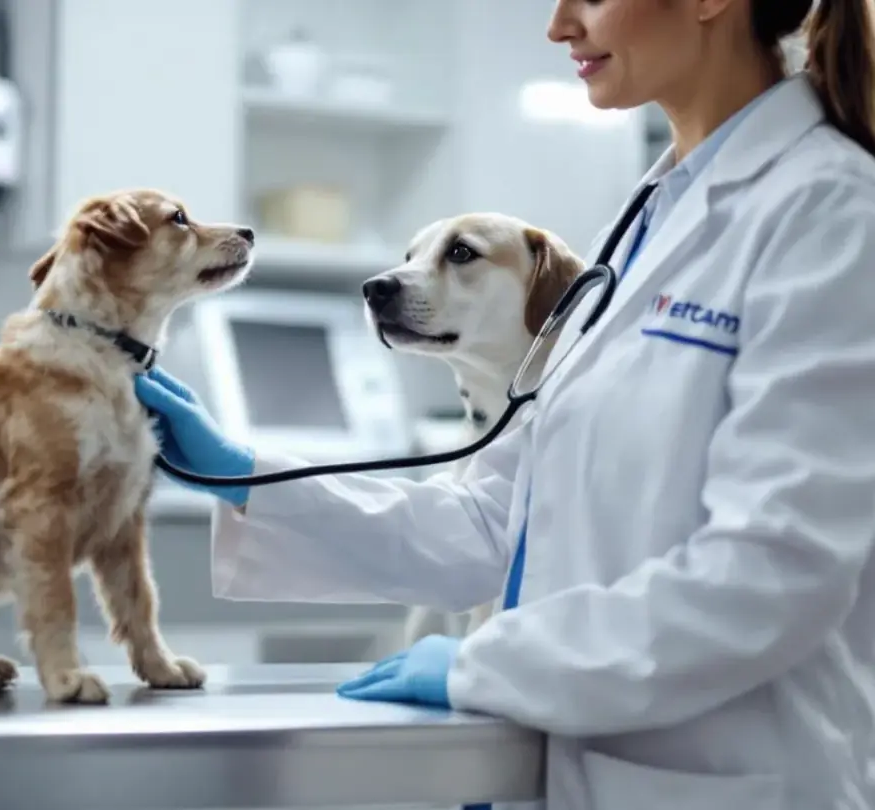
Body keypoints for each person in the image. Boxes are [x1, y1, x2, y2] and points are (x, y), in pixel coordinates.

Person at [136, 1, 875, 807]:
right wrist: (248, 478)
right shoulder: (649, 219)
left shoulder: (833, 209)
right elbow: (497, 520)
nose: (558, 26)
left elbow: (776, 571)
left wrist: (489, 666)